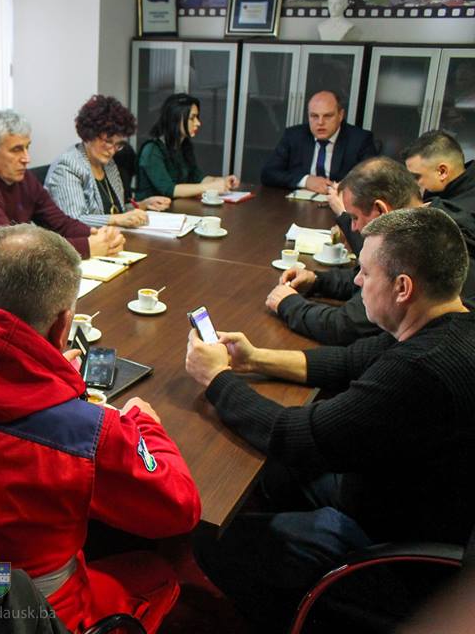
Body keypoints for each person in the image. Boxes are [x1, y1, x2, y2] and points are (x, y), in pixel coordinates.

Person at [0, 224, 201, 632]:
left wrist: (55, 386)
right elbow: (180, 510)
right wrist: (144, 423)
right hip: (28, 619)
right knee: (157, 570)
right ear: (63, 327)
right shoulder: (89, 434)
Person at [185, 207, 475, 632]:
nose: (356, 282)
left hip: (393, 549)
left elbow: (295, 436)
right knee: (274, 476)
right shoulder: (451, 324)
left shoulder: (420, 370)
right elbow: (346, 361)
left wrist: (216, 379)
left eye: (365, 273)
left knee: (211, 537)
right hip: (399, 491)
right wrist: (253, 359)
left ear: (402, 287)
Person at [0, 110, 125, 281]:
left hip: (12, 273)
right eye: (16, 149)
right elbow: (13, 249)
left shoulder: (22, 178)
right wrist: (87, 246)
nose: (27, 158)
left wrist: (99, 235)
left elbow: (60, 223)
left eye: (27, 147)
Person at [266, 157, 422, 345]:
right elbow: (366, 280)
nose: (353, 228)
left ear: (380, 210)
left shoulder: (414, 247)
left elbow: (345, 326)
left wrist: (289, 304)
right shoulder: (422, 224)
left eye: (354, 218)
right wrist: (316, 281)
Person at [45, 95, 170, 228]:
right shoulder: (67, 166)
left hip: (109, 236)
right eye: (108, 142)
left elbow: (116, 210)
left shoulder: (108, 164)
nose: (112, 150)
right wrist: (117, 219)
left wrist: (143, 205)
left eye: (118, 144)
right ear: (89, 135)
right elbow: (74, 220)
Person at [260, 90, 377, 193]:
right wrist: (306, 181)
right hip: (299, 202)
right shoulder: (294, 136)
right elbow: (268, 173)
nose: (320, 122)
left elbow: (372, 181)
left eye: (328, 116)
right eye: (314, 116)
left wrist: (340, 188)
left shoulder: (360, 140)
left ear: (340, 115)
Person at [136, 93, 238, 200]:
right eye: (192, 118)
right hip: (152, 209)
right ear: (175, 119)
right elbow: (169, 190)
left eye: (197, 117)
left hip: (177, 207)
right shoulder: (152, 150)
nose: (198, 123)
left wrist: (221, 181)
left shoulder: (184, 146)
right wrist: (210, 187)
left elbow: (197, 177)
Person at [403, 129, 475, 214]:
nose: (414, 184)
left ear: (442, 172)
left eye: (417, 177)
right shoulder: (439, 195)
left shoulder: (463, 215)